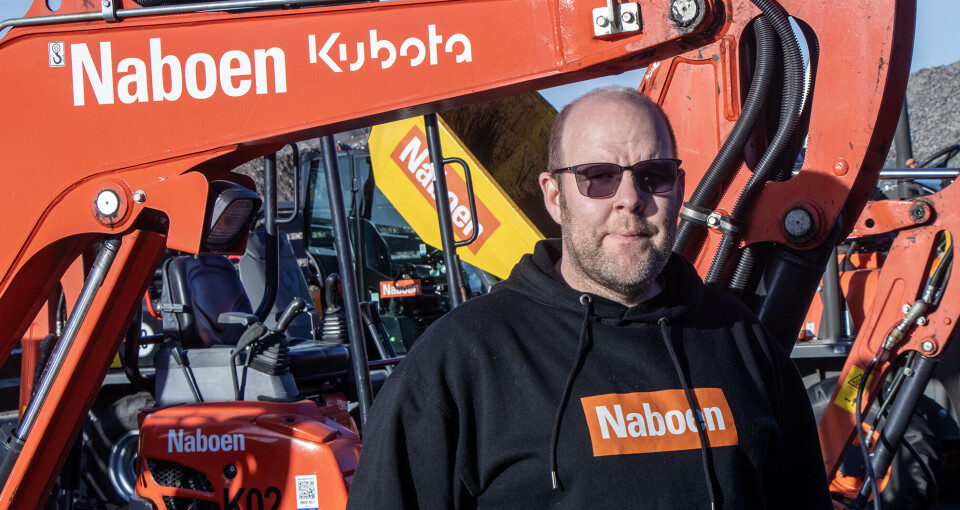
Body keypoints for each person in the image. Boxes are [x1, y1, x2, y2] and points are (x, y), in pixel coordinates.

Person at [346, 87, 832, 509]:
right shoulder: (458, 362)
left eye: (654, 174)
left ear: (680, 189)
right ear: (555, 196)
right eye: (598, 176)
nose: (629, 198)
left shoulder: (745, 344)